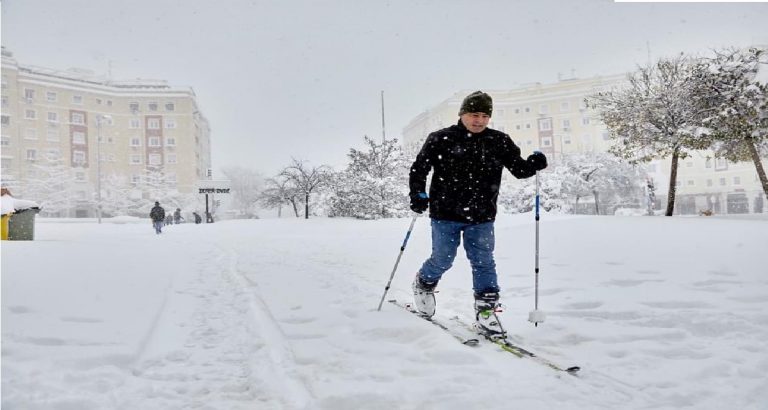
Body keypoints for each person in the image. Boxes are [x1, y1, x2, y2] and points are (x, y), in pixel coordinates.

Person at [409, 90, 548, 338]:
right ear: (462, 114)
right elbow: (419, 169)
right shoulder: (440, 139)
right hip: (445, 213)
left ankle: (486, 310)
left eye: (485, 115)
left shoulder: (499, 141)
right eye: (474, 114)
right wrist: (418, 194)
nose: (479, 120)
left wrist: (534, 164)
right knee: (443, 258)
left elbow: (519, 169)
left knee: (483, 261)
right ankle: (423, 283)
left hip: (482, 216)